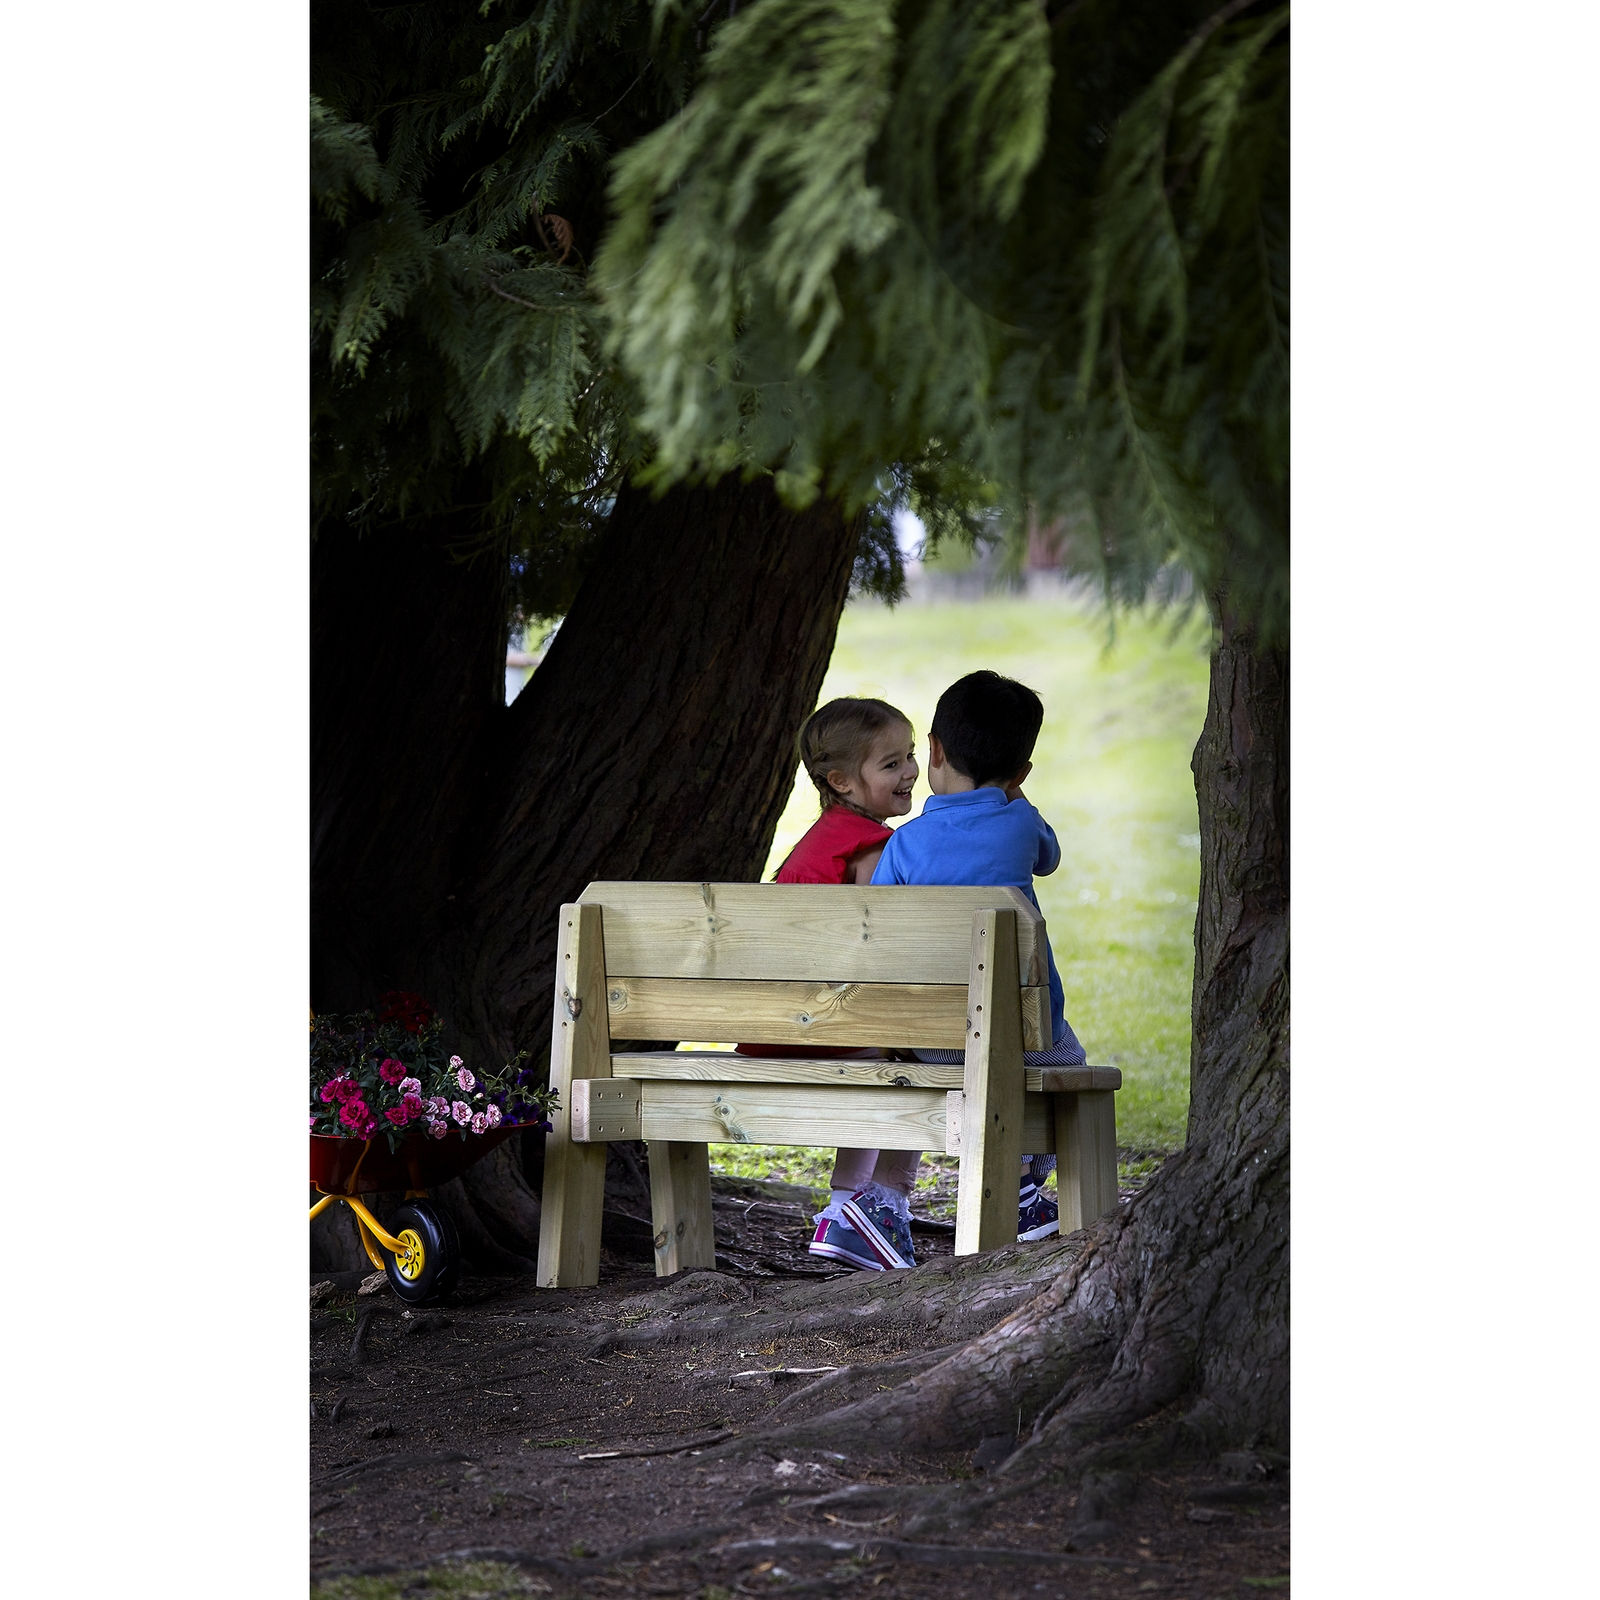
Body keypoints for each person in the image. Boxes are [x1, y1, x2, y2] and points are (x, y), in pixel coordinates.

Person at [867, 669, 1088, 1256]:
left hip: (933, 1033)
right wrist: (1016, 795)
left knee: (985, 1057)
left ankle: (1010, 1189)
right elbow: (1051, 857)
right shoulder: (1021, 822)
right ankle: (1021, 1185)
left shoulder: (905, 843)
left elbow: (879, 924)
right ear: (1020, 773)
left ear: (935, 751)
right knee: (1072, 1064)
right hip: (1025, 1030)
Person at [735, 698, 927, 1273]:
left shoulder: (823, 838)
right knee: (913, 1059)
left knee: (887, 1051)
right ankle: (878, 1206)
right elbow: (880, 943)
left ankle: (845, 1211)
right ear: (841, 780)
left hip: (772, 1024)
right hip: (816, 1025)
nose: (911, 772)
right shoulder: (869, 846)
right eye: (891, 764)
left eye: (911, 757)